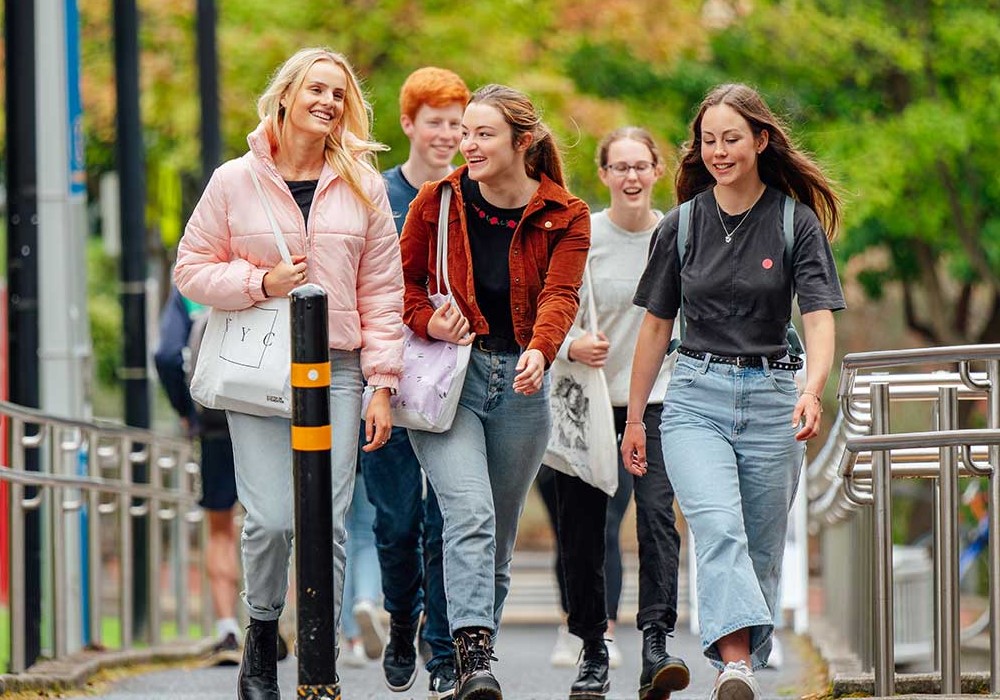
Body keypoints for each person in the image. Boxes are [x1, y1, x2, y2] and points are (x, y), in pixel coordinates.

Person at [174, 47, 404, 700]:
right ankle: (260, 636)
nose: (328, 103)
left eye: (339, 95)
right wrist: (260, 281)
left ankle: (320, 664)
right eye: (317, 90)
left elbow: (382, 293)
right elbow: (190, 270)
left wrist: (382, 384)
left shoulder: (364, 186)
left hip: (335, 373)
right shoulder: (233, 181)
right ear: (286, 95)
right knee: (271, 519)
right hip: (258, 372)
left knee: (326, 522)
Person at [623, 83, 844, 700]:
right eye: (708, 140)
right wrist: (636, 417)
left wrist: (813, 388)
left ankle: (739, 658)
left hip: (775, 396)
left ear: (760, 140)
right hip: (695, 394)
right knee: (719, 528)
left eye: (731, 139)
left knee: (762, 549)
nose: (718, 151)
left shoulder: (794, 223)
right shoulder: (682, 225)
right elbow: (656, 326)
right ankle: (737, 666)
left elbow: (820, 316)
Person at [399, 84, 590, 700]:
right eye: (465, 133)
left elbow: (562, 294)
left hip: (521, 384)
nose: (466, 144)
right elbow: (396, 288)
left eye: (483, 134)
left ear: (522, 142)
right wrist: (429, 320)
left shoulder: (567, 214)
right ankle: (471, 660)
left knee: (498, 540)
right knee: (470, 514)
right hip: (450, 380)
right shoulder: (438, 201)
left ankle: (465, 650)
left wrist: (540, 348)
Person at [543, 127, 690, 700]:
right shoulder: (584, 236)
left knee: (656, 519)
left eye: (641, 166)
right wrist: (570, 346)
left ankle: (656, 642)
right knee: (584, 527)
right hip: (590, 403)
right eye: (619, 167)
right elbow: (548, 312)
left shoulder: (677, 234)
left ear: (657, 172)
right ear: (603, 175)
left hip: (659, 401)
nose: (631, 177)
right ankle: (592, 648)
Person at [361, 66, 470, 699]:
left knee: (446, 519)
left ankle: (442, 651)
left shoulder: (469, 194)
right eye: (436, 123)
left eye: (458, 125)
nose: (448, 136)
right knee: (397, 518)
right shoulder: (377, 195)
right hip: (387, 379)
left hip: (452, 380)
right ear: (408, 123)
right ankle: (402, 619)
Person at [154, 285, 242, 666]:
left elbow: (167, 355)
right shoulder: (270, 264)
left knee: (220, 527)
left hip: (214, 420)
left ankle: (227, 629)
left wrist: (186, 410)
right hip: (272, 414)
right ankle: (269, 622)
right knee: (276, 523)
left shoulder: (191, 289)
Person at [340, 470, 385, 668]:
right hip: (365, 448)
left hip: (325, 450)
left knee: (340, 535)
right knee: (368, 532)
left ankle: (353, 638)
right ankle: (365, 600)